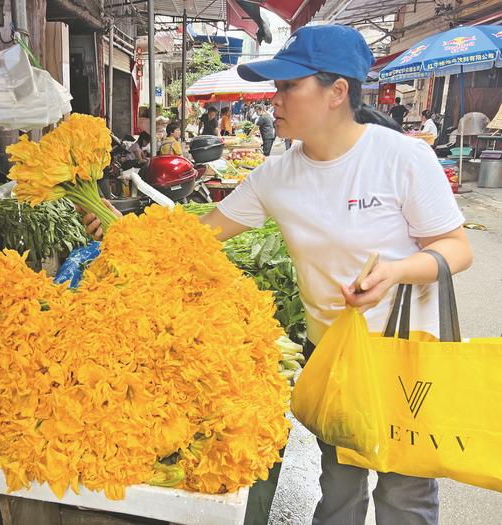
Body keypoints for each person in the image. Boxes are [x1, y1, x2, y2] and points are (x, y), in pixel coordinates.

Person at [82, 25, 473, 525]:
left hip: (406, 353)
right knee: (339, 487)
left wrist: (396, 272)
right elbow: (196, 234)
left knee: (405, 495)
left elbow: (455, 249)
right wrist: (116, 226)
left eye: (289, 86)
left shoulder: (401, 157)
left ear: (337, 92)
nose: (276, 98)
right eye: (276, 86)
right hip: (331, 354)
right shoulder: (277, 175)